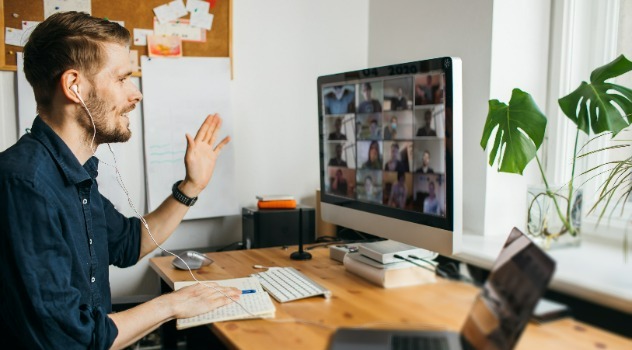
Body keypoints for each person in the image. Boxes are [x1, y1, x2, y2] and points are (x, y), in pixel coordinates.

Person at [0, 12, 241, 349]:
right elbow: (72, 340)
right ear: (74, 87)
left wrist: (192, 186)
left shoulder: (72, 172)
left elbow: (129, 243)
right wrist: (173, 304)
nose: (135, 94)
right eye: (122, 78)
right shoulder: (26, 184)